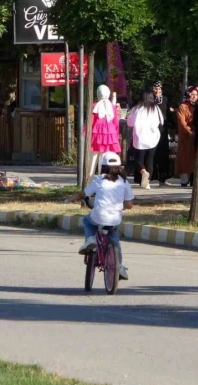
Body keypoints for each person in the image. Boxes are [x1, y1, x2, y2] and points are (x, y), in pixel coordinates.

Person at [68, 152, 133, 281]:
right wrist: (120, 206)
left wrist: (72, 198)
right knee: (114, 238)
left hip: (99, 214)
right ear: (120, 167)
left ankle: (90, 240)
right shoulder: (124, 182)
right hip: (115, 218)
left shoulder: (99, 179)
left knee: (87, 221)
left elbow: (84, 193)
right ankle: (118, 265)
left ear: (103, 167)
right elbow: (129, 204)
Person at [127, 92, 164, 189]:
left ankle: (143, 171)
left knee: (138, 159)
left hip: (140, 138)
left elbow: (129, 123)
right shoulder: (155, 108)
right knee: (150, 160)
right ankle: (147, 183)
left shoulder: (136, 109)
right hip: (153, 138)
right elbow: (161, 121)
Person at [90, 85, 121, 175]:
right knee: (105, 158)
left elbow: (90, 121)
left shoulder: (94, 106)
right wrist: (116, 135)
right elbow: (116, 123)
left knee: (93, 157)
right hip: (110, 134)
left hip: (96, 134)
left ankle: (89, 179)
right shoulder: (112, 106)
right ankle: (103, 177)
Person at [176, 86, 198, 187]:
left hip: (196, 134)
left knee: (194, 156)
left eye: (196, 95)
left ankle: (194, 178)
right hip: (186, 135)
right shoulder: (182, 106)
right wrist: (189, 131)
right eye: (192, 94)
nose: (193, 96)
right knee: (184, 156)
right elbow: (182, 122)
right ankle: (184, 179)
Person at [150, 81, 172, 186]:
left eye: (159, 89)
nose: (158, 91)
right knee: (152, 152)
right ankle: (152, 176)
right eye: (156, 89)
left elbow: (168, 113)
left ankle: (163, 178)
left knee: (163, 153)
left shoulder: (166, 100)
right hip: (151, 129)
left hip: (163, 129)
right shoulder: (149, 99)